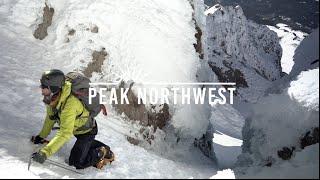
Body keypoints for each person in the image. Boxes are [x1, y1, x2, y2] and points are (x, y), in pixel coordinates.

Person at [31, 69, 114, 169]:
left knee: (76, 163)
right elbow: (50, 118)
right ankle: (89, 148)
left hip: (86, 131)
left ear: (53, 88)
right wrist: (41, 136)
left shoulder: (70, 104)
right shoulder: (52, 99)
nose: (41, 89)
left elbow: (65, 133)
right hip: (76, 128)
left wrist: (45, 153)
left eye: (44, 87)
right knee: (83, 147)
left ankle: (102, 151)